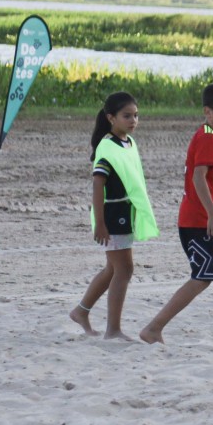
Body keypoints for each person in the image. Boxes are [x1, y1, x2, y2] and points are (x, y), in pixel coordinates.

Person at [139, 83, 213, 346]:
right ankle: (153, 328)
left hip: (209, 221)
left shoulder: (211, 135)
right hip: (198, 223)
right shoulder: (207, 136)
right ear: (207, 111)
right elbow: (198, 178)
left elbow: (208, 183)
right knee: (202, 278)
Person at [70, 92, 158, 339]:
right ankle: (113, 329)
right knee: (124, 269)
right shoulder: (106, 147)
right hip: (112, 215)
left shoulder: (128, 142)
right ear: (111, 118)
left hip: (125, 213)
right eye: (127, 116)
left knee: (113, 268)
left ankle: (81, 311)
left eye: (136, 116)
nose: (133, 121)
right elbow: (98, 185)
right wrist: (99, 222)